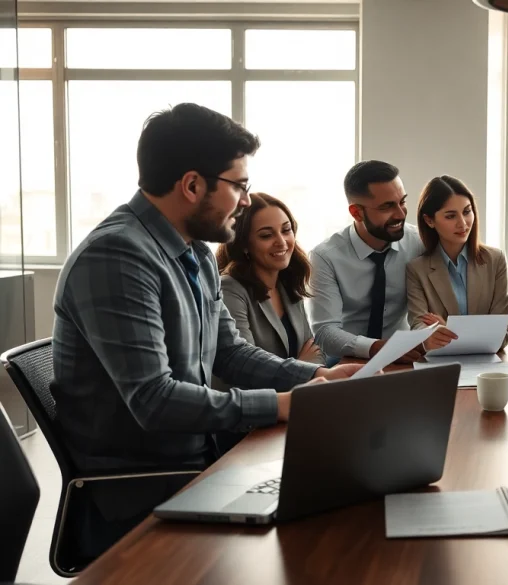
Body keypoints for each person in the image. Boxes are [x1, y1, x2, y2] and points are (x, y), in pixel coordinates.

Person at [50, 103, 361, 561]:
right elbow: (154, 400)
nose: (247, 201)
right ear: (193, 185)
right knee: (327, 539)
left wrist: (313, 380)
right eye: (240, 186)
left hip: (200, 459)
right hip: (143, 486)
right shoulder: (118, 256)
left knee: (348, 499)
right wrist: (279, 406)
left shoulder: (192, 252)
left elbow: (229, 353)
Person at [311, 160, 447, 364]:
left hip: (406, 354)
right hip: (346, 358)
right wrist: (377, 348)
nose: (401, 214)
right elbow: (325, 332)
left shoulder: (420, 243)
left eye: (402, 202)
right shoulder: (325, 257)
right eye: (387, 207)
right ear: (356, 213)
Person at [215, 192, 324, 365]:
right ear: (243, 244)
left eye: (286, 230)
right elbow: (246, 366)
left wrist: (302, 367)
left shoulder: (288, 281)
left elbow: (315, 351)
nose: (281, 242)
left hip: (300, 390)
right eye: (266, 235)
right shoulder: (229, 288)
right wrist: (301, 366)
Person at [407, 175, 508, 352]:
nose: (463, 223)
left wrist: (449, 329)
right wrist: (430, 336)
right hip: (441, 365)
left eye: (467, 211)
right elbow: (420, 329)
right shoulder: (417, 269)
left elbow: (502, 333)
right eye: (450, 216)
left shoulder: (495, 260)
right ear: (429, 220)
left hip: (487, 366)